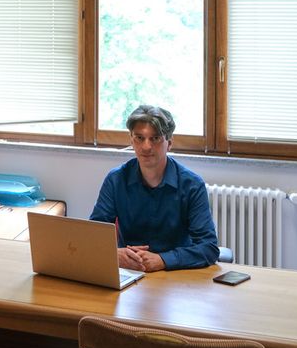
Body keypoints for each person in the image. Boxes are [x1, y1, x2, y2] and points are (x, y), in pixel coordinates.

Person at [89, 104, 219, 272]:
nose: (146, 147)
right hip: (130, 273)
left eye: (155, 138)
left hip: (177, 274)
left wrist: (162, 260)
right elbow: (94, 237)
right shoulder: (116, 180)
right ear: (131, 140)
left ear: (169, 143)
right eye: (139, 138)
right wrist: (114, 254)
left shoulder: (192, 185)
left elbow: (209, 247)